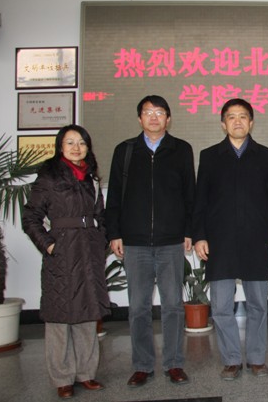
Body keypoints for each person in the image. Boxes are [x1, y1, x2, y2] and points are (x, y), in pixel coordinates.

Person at [105, 95, 195, 387]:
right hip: (135, 242)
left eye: (159, 112)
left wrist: (189, 231)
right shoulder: (125, 151)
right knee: (138, 308)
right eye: (147, 112)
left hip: (171, 241)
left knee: (173, 306)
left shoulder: (181, 149)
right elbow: (114, 196)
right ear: (139, 118)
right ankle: (142, 365)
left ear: (168, 118)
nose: (154, 117)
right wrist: (114, 233)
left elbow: (190, 195)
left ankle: (174, 364)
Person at [193, 98, 268, 380]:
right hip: (220, 241)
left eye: (243, 116)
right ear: (223, 123)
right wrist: (200, 236)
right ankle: (231, 359)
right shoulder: (209, 156)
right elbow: (200, 200)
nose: (238, 121)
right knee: (220, 307)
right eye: (231, 117)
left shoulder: (267, 157)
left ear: (251, 122)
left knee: (258, 305)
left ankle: (256, 359)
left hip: (257, 240)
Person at [22, 125, 110, 399]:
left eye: (81, 143)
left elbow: (101, 216)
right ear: (60, 146)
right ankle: (62, 377)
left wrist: (101, 241)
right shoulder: (48, 176)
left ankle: (86, 373)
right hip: (62, 253)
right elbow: (30, 218)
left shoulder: (91, 178)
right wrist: (49, 245)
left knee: (87, 313)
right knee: (59, 316)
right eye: (70, 142)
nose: (76, 147)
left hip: (89, 252)